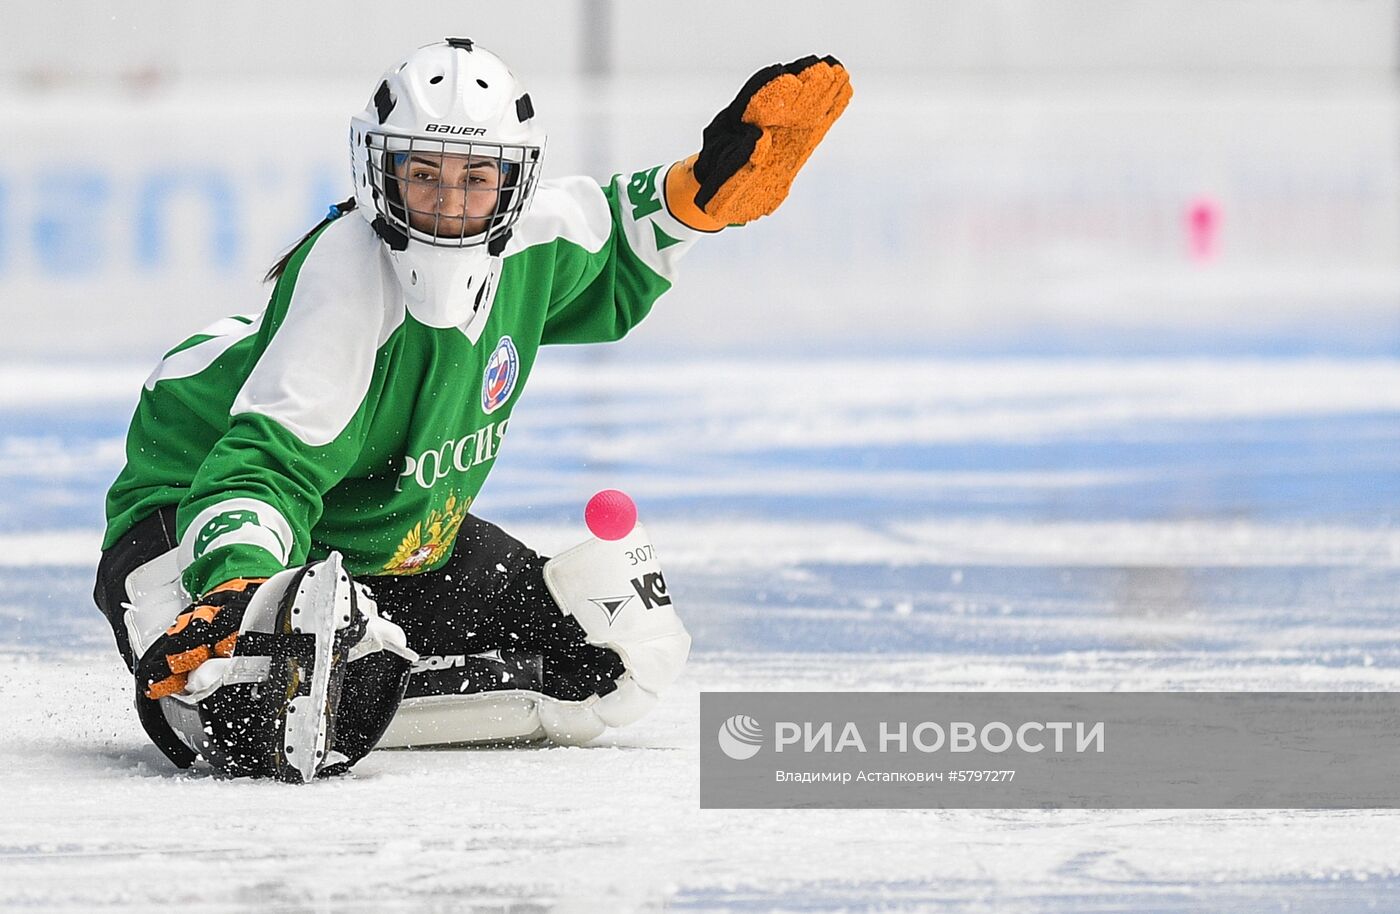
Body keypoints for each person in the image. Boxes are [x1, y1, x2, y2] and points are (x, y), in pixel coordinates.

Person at [93, 38, 852, 781]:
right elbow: (260, 468)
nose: (449, 204)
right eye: (422, 173)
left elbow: (622, 230)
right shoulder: (347, 276)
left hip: (389, 541)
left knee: (615, 658)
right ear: (378, 172)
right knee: (234, 720)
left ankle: (358, 673)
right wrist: (238, 589)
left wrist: (703, 193)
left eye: (476, 178)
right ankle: (329, 659)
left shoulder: (532, 238)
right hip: (199, 512)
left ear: (514, 183)